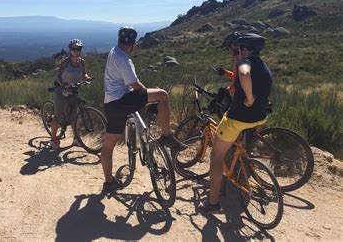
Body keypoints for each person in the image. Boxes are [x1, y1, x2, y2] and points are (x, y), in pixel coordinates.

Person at [101, 26, 186, 192]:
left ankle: (109, 182)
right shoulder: (124, 59)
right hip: (123, 101)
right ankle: (167, 136)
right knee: (162, 95)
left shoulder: (113, 51)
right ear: (133, 44)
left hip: (110, 104)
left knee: (108, 145)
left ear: (119, 40)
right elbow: (136, 86)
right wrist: (148, 94)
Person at [199, 33, 272, 214]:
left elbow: (244, 73)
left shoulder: (244, 62)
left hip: (238, 119)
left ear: (245, 48)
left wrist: (248, 98)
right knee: (237, 143)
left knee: (216, 158)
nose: (237, 53)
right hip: (259, 117)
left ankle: (213, 203)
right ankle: (241, 165)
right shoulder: (264, 66)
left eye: (238, 49)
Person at [50, 39, 91, 149]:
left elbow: (84, 73)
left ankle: (76, 139)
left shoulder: (82, 62)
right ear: (70, 50)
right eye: (73, 49)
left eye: (78, 49)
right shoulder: (65, 62)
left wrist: (87, 78)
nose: (76, 51)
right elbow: (58, 76)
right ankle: (53, 138)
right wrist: (63, 85)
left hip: (74, 90)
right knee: (58, 116)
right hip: (61, 90)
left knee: (74, 117)